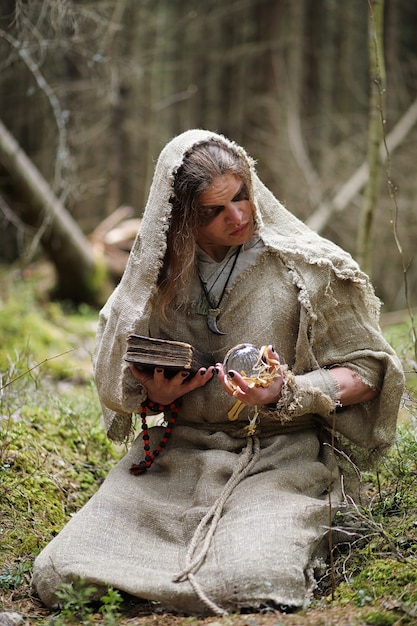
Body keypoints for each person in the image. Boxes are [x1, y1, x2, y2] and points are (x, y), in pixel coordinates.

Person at [32, 129, 404, 616]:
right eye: (214, 210)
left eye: (242, 196)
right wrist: (158, 395)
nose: (239, 215)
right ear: (183, 218)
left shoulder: (306, 269)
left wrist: (288, 391)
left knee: (254, 578)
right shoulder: (154, 281)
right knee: (63, 573)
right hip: (176, 457)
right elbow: (122, 380)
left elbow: (370, 371)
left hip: (279, 456)